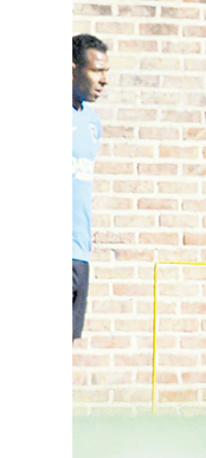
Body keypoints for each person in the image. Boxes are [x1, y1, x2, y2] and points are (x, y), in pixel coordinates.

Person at [70, 34, 110, 345]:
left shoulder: (92, 121)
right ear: (72, 70)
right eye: (97, 71)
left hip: (77, 251)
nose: (104, 80)